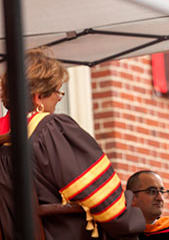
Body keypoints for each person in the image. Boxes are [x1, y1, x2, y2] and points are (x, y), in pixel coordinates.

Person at [0, 47, 145, 239]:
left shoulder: (5, 140)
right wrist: (137, 213)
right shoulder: (50, 131)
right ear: (39, 97)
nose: (58, 101)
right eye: (58, 93)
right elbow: (110, 207)